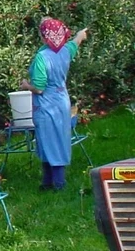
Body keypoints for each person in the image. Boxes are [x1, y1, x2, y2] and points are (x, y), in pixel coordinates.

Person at [20, 18, 88, 191]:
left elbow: (39, 88)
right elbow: (75, 43)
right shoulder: (65, 51)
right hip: (62, 101)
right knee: (57, 139)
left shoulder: (42, 58)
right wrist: (81, 35)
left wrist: (26, 85)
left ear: (43, 37)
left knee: (48, 141)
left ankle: (58, 183)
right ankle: (47, 182)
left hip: (46, 104)